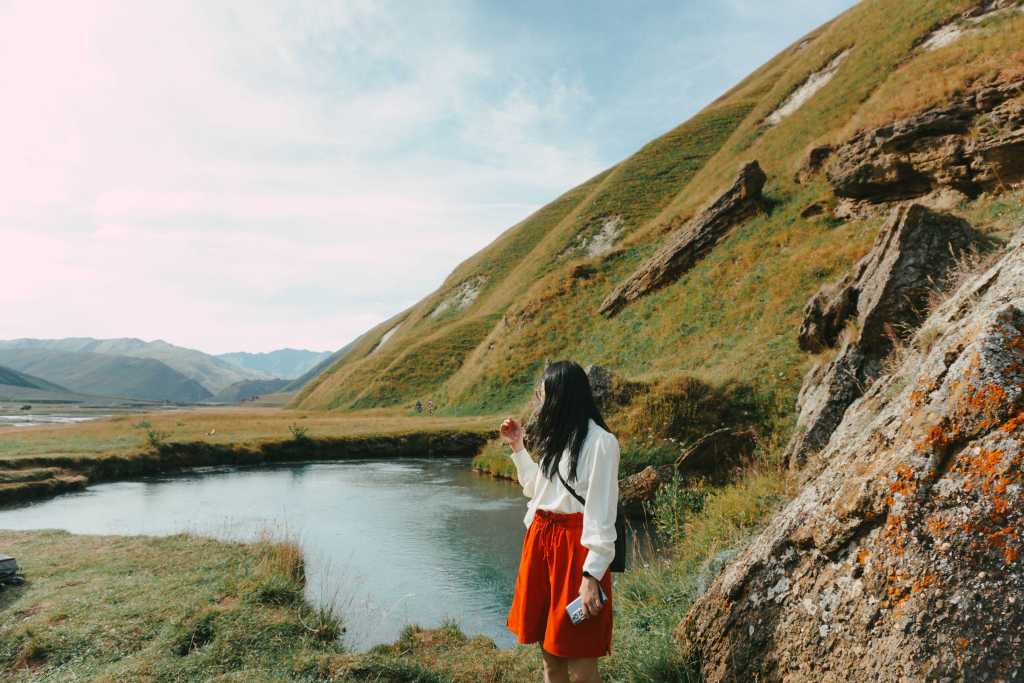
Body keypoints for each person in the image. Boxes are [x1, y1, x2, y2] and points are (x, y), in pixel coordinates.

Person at [499, 360, 619, 683]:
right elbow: (537, 489)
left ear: (561, 396)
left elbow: (602, 514)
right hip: (542, 544)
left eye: (544, 393)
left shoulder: (602, 443)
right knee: (550, 658)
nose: (540, 401)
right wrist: (518, 446)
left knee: (581, 666)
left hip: (575, 551)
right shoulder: (557, 438)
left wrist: (591, 575)